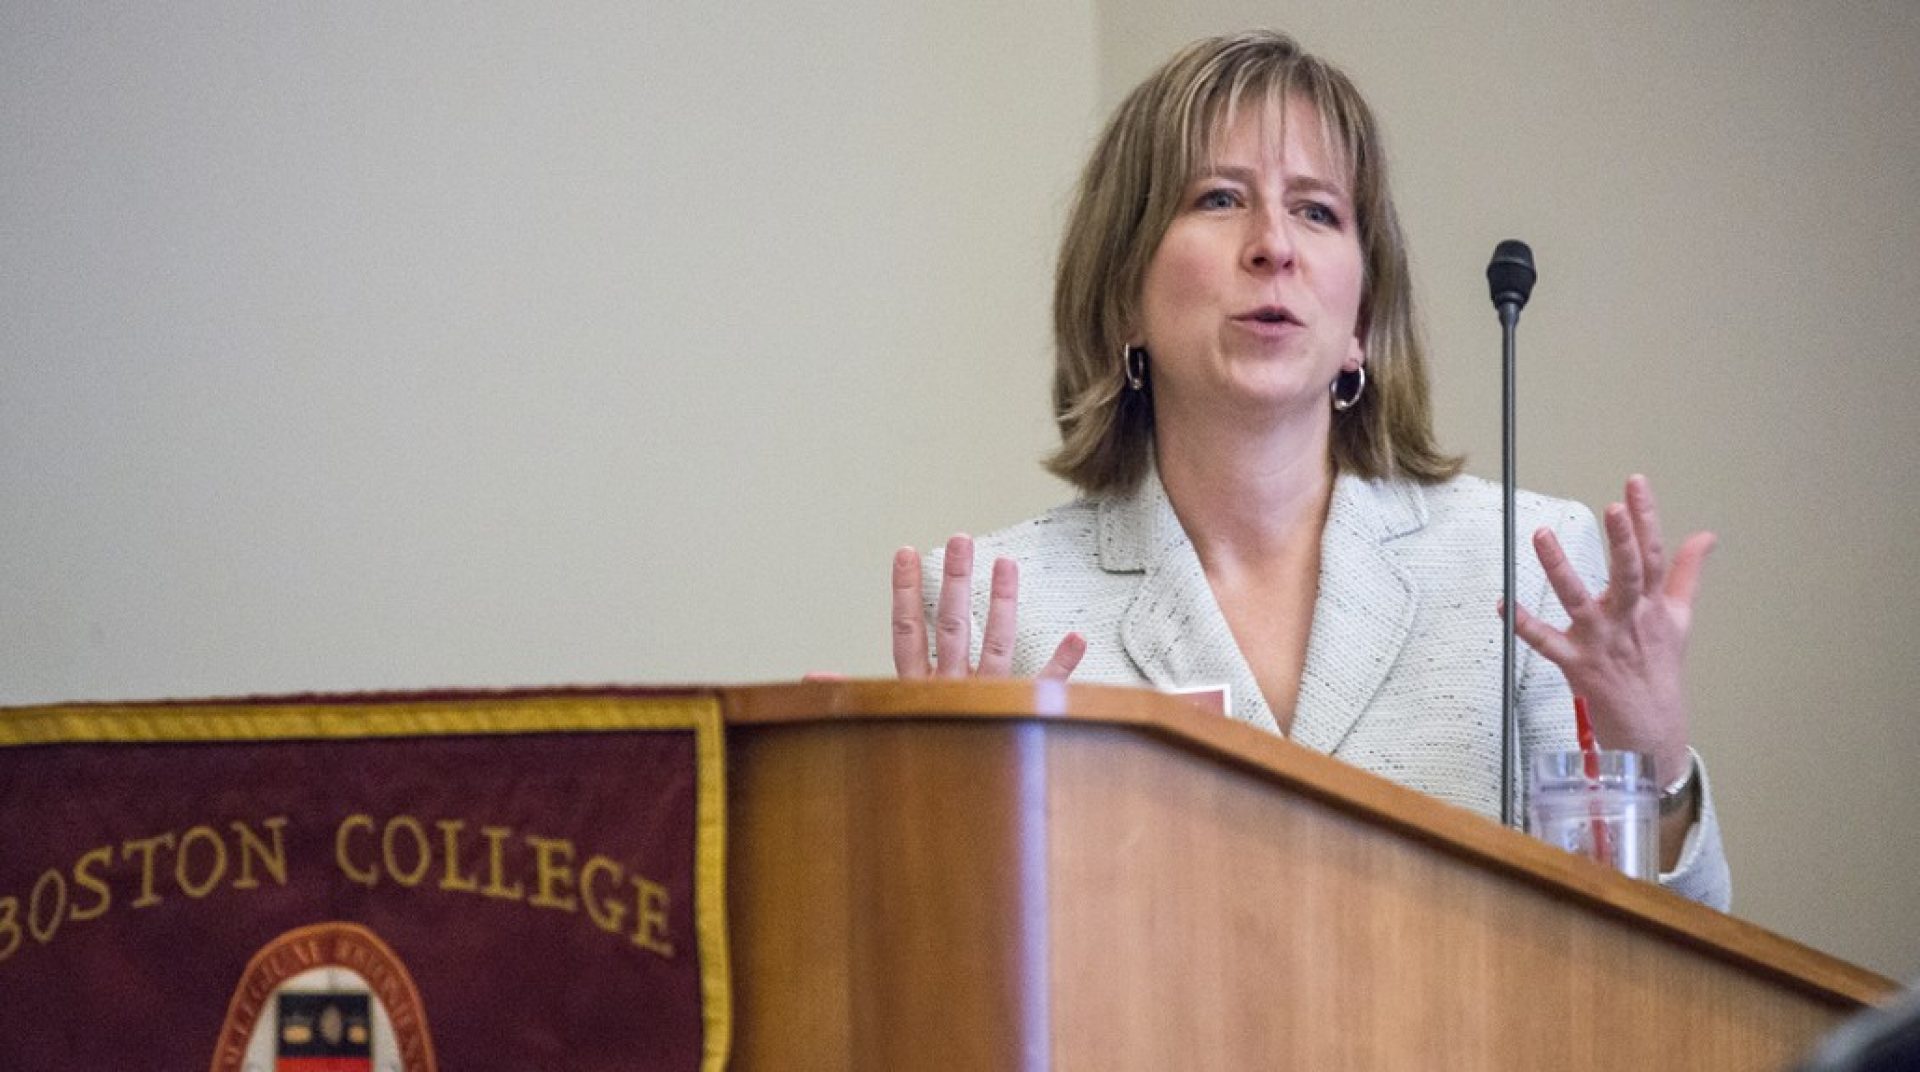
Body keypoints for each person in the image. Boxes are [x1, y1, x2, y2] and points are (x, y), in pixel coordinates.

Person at [886, 30, 1729, 908]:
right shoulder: (1003, 607)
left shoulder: (1523, 560)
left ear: (1362, 320)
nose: (1273, 246)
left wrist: (1658, 767)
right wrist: (936, 826)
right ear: (1123, 293)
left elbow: (1661, 977)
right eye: (1218, 198)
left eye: (1317, 211)